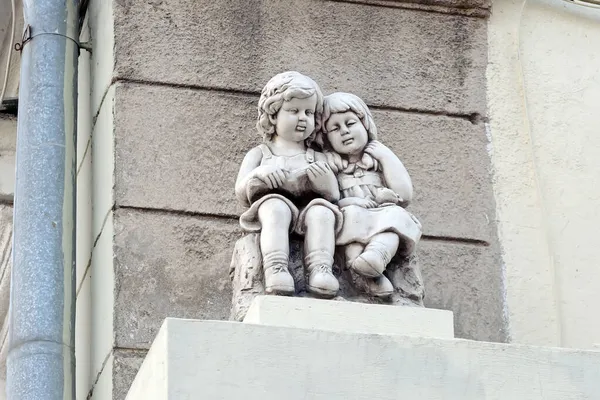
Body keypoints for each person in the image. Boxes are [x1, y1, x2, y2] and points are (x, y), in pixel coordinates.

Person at [235, 72, 343, 298]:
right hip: (274, 212)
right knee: (275, 207)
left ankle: (320, 269)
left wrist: (325, 184)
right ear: (273, 115)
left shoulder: (317, 157)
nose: (303, 118)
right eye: (294, 111)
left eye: (309, 112)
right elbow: (241, 191)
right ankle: (276, 267)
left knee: (323, 212)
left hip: (308, 213)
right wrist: (260, 174)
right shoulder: (260, 154)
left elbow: (334, 195)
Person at [318, 92, 422, 297]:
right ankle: (365, 274)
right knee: (351, 228)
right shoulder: (330, 164)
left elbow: (404, 194)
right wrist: (350, 201)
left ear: (365, 124)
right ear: (326, 137)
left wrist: (385, 157)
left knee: (395, 221)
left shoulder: (378, 158)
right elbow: (325, 198)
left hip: (380, 214)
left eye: (350, 123)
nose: (345, 132)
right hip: (352, 214)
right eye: (335, 128)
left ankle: (377, 255)